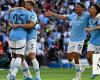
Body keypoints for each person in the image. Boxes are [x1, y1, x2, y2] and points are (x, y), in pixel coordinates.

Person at [45, 2, 90, 80]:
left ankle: (78, 76)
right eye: (76, 7)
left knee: (76, 56)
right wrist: (53, 14)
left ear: (83, 9)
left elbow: (95, 16)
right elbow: (63, 17)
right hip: (72, 39)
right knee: (69, 58)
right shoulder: (73, 15)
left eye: (78, 7)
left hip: (81, 39)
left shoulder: (86, 15)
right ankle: (80, 68)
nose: (76, 8)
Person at [7, 1, 35, 80]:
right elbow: (31, 25)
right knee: (20, 56)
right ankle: (13, 74)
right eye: (26, 4)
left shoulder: (13, 12)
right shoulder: (28, 13)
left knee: (14, 56)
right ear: (24, 5)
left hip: (12, 35)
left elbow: (10, 23)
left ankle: (27, 76)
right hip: (21, 35)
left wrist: (13, 25)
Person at [85, 4, 100, 80]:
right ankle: (95, 70)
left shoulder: (99, 17)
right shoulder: (89, 18)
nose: (90, 9)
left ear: (96, 10)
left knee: (97, 57)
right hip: (92, 40)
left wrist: (91, 29)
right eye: (90, 8)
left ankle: (96, 71)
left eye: (92, 8)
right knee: (88, 56)